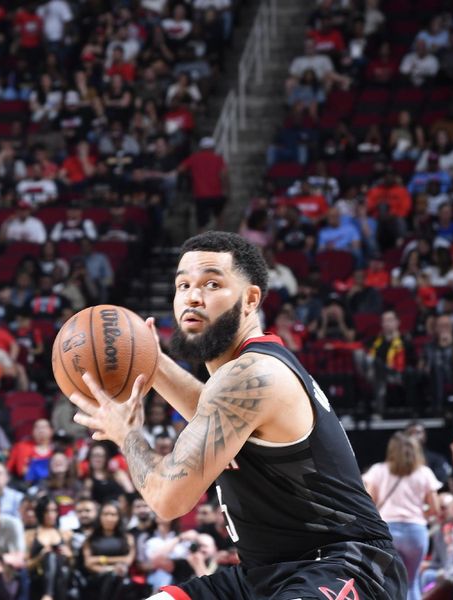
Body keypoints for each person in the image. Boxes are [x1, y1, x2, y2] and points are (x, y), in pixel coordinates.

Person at [69, 231, 407, 599]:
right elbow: (209, 411)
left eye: (212, 283)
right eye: (183, 285)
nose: (193, 296)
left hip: (343, 564)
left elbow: (169, 500)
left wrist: (127, 434)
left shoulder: (253, 374)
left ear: (250, 299)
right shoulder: (238, 378)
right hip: (261, 576)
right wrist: (151, 360)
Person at [363, 432, 441, 600]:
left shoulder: (378, 470)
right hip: (416, 531)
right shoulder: (424, 473)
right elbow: (435, 508)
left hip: (387, 531)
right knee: (412, 582)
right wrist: (423, 515)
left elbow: (368, 503)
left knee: (387, 582)